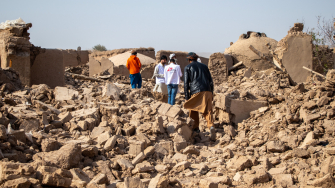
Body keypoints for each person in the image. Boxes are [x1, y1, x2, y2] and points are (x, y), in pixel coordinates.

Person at [183, 52, 215, 141]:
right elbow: (211, 80)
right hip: (207, 90)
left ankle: (195, 128)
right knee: (208, 110)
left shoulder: (188, 67)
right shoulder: (204, 66)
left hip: (196, 91)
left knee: (193, 109)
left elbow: (186, 83)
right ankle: (211, 126)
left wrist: (187, 97)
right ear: (196, 59)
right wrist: (211, 92)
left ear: (189, 60)